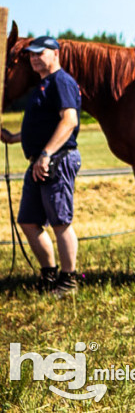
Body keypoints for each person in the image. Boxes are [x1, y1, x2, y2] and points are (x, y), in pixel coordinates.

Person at [1, 35, 83, 297]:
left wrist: (46, 154)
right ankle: (49, 274)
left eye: (40, 53)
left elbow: (69, 121)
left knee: (60, 221)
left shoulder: (61, 82)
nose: (35, 58)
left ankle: (68, 281)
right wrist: (14, 138)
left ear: (56, 54)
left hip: (54, 161)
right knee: (28, 221)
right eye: (32, 55)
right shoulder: (43, 85)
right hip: (40, 161)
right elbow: (43, 126)